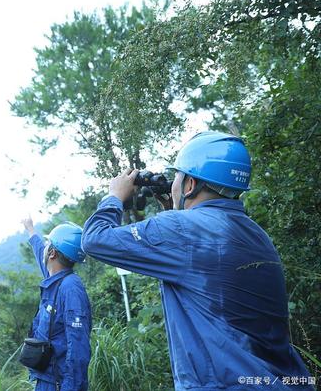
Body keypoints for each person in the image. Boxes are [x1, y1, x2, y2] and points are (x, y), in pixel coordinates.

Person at [81, 132, 313, 390]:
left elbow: (94, 239)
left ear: (190, 185)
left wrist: (114, 196)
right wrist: (174, 211)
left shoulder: (180, 230)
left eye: (177, 177)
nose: (173, 184)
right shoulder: (257, 235)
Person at [21, 217, 92, 391]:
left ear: (52, 253)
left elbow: (78, 347)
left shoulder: (70, 288)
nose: (44, 248)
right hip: (46, 378)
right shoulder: (55, 279)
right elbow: (40, 252)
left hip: (60, 383)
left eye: (48, 244)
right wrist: (30, 229)